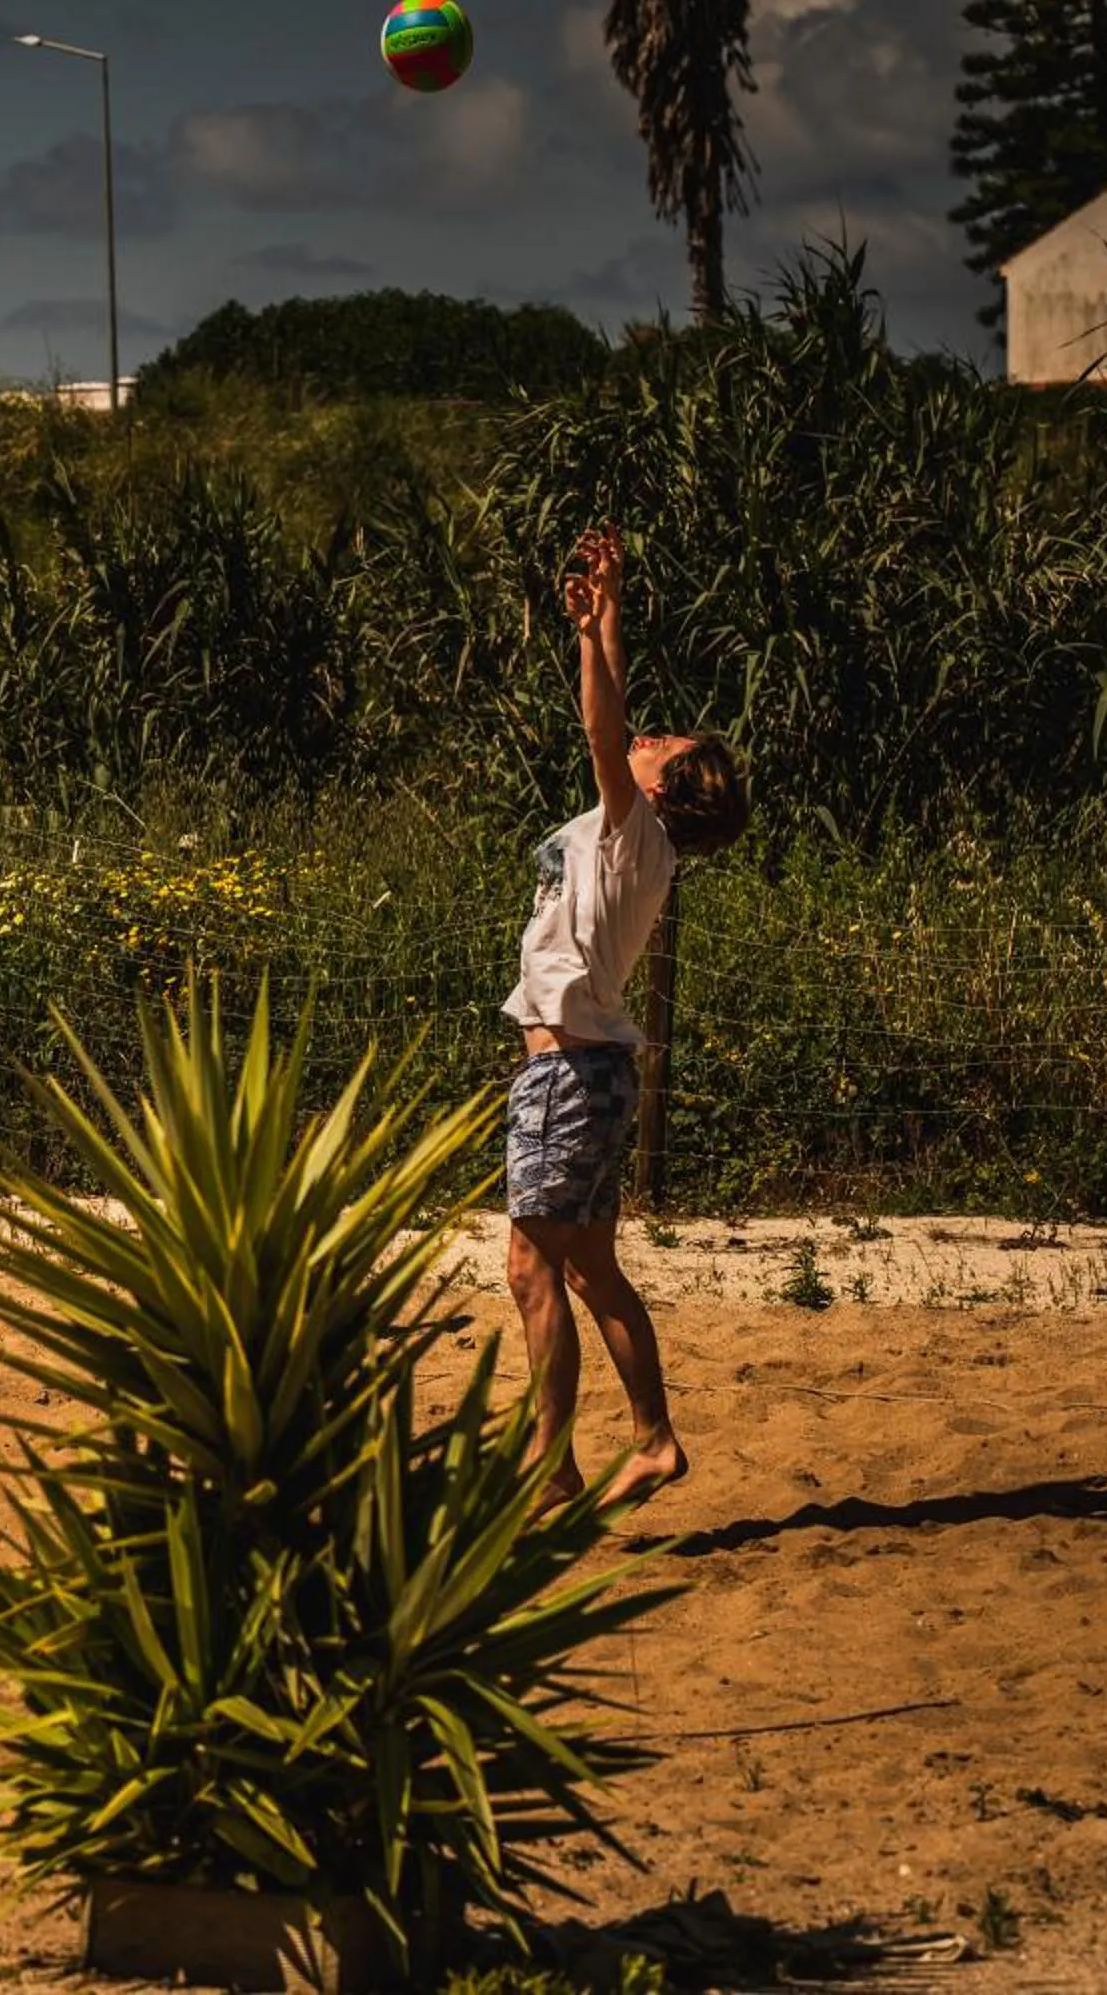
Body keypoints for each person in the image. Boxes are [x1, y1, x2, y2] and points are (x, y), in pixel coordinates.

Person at [504, 529, 749, 1510]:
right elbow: (616, 723)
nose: (650, 734)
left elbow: (605, 732)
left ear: (658, 787)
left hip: (568, 1074)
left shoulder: (629, 829)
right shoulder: (638, 839)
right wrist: (601, 611)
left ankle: (553, 1468)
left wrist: (595, 633)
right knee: (591, 1268)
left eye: (665, 744)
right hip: (591, 1072)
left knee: (531, 1266)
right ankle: (651, 1441)